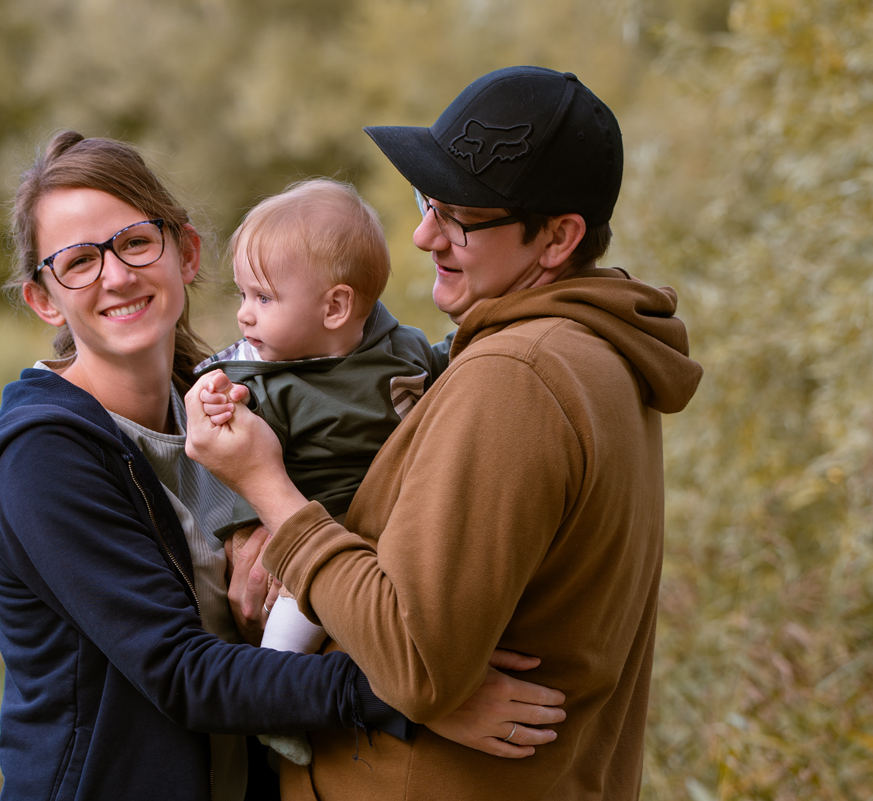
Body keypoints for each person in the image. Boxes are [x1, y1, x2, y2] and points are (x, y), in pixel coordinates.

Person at [0, 130, 568, 801]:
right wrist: (404, 692)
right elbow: (181, 673)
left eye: (134, 242)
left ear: (186, 253)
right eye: (78, 261)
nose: (118, 275)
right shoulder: (40, 461)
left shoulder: (231, 405)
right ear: (45, 299)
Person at [188, 66, 704, 799]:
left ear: (558, 238)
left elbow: (415, 664)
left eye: (461, 218)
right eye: (428, 201)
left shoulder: (516, 376)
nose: (424, 234)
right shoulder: (596, 354)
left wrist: (265, 487)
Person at [196, 177, 440, 766]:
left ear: (335, 307)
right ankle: (276, 704)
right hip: (315, 533)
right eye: (243, 294)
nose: (243, 314)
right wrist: (248, 527)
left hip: (396, 526)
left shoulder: (399, 348)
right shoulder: (254, 382)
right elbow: (231, 468)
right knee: (297, 610)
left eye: (263, 298)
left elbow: (444, 369)